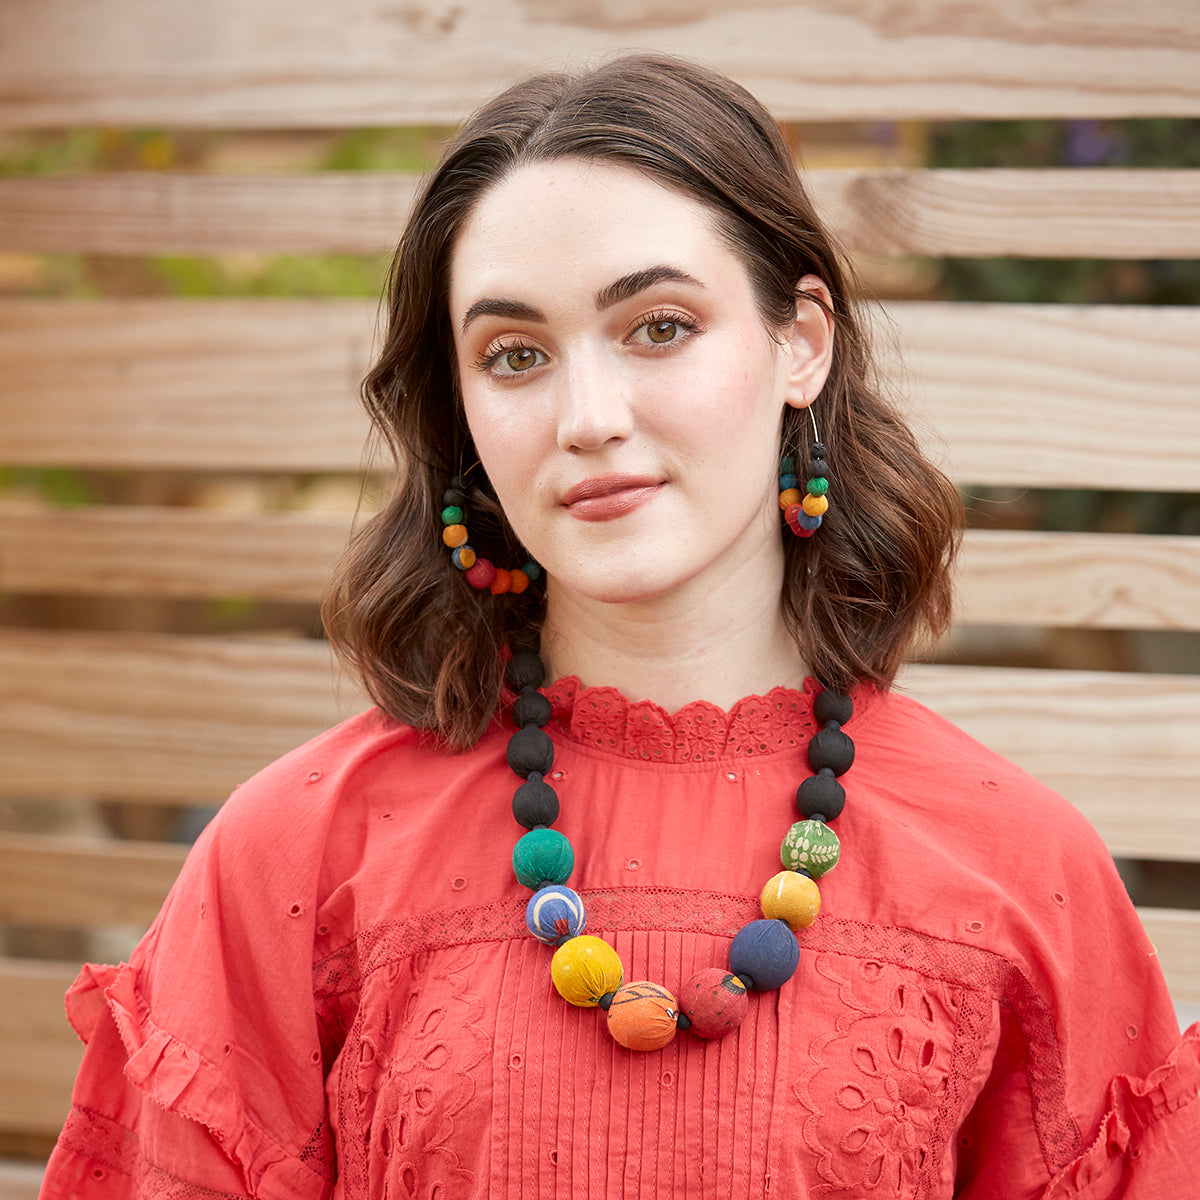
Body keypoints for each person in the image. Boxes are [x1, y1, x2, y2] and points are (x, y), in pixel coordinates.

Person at [43, 53, 1199, 1200]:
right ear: (461, 411)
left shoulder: (1019, 870)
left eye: (657, 327)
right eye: (516, 355)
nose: (588, 418)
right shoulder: (296, 854)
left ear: (800, 343)